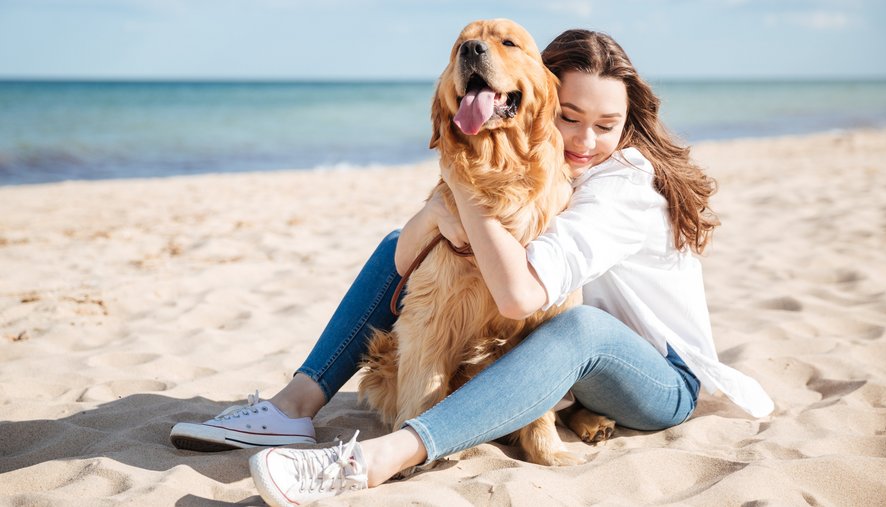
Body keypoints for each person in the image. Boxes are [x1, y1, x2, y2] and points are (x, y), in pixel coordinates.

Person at [171, 29, 774, 505]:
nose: (585, 140)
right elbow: (404, 257)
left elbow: (520, 298)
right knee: (398, 242)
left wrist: (459, 190)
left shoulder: (622, 185)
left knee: (576, 325)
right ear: (536, 101)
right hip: (569, 372)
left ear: (627, 124)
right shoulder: (548, 172)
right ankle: (294, 406)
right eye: (569, 116)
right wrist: (440, 213)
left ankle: (386, 457)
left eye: (606, 125)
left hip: (658, 382)